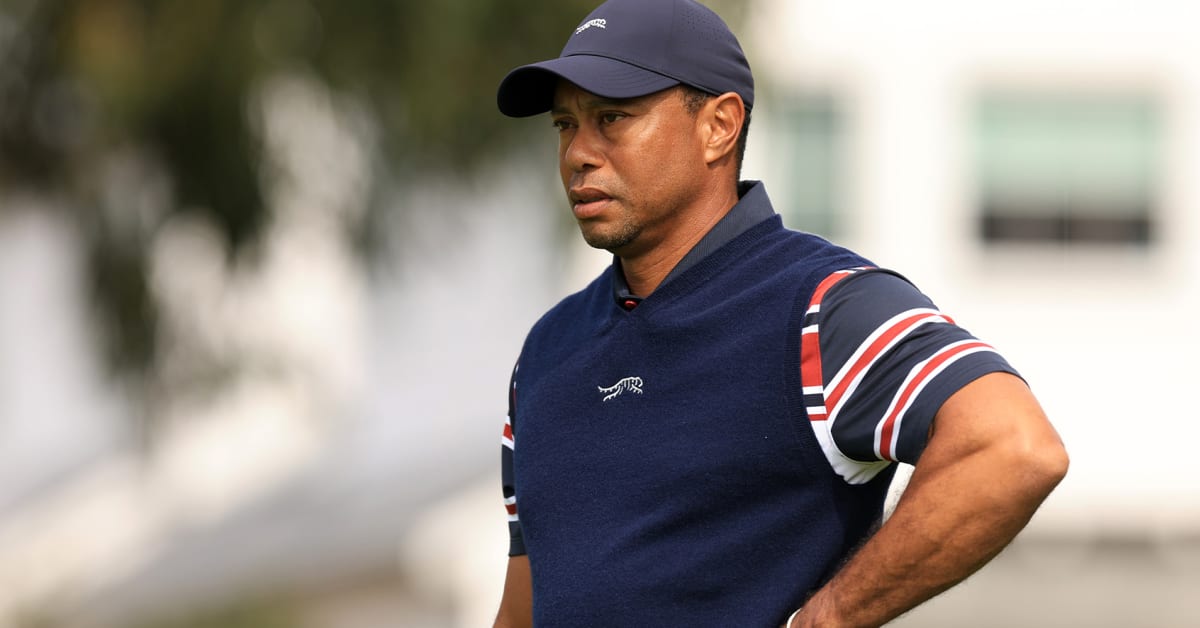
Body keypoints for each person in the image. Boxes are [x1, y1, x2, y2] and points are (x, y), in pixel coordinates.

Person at [492, 0, 1068, 626]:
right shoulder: (548, 349)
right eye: (565, 125)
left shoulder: (823, 306)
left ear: (719, 126)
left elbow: (1013, 447)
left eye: (612, 118)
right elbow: (525, 606)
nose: (578, 152)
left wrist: (828, 617)